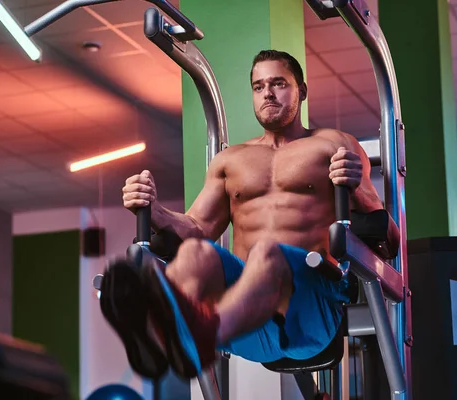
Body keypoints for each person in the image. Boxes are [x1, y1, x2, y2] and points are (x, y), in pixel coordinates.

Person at [100, 50, 399, 380]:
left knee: (268, 253)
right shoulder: (230, 161)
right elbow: (196, 227)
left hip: (311, 309)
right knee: (197, 253)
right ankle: (161, 323)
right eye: (258, 87)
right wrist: (153, 210)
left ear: (301, 90)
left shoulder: (334, 146)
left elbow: (389, 239)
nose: (267, 93)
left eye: (278, 83)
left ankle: (193, 334)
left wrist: (354, 186)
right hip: (248, 318)